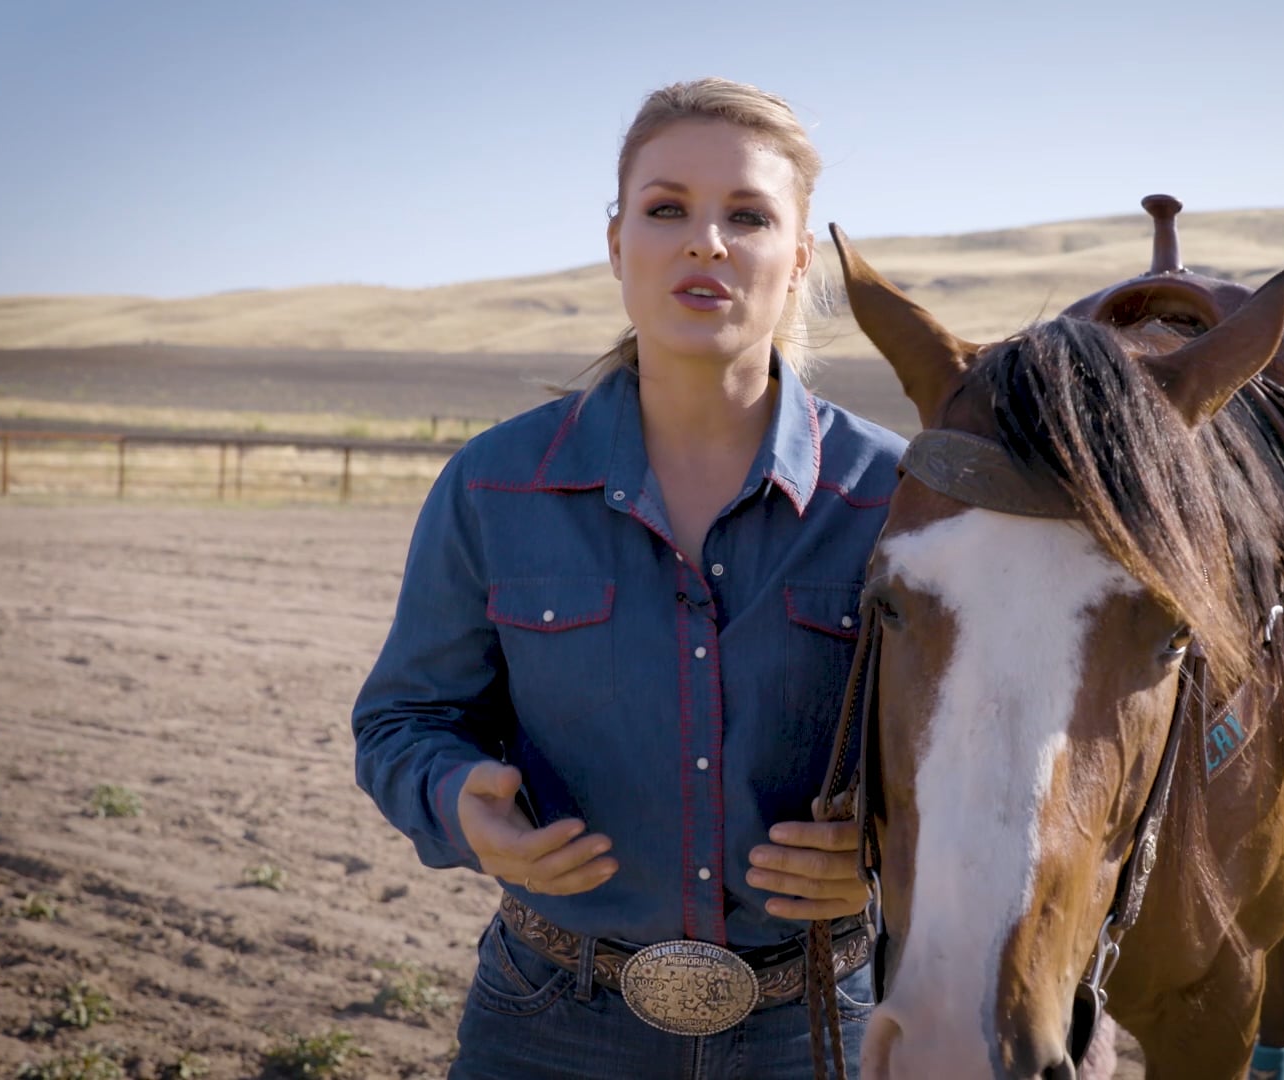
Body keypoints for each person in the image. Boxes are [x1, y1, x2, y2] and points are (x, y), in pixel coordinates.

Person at [352, 77, 903, 1079]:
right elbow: (402, 721)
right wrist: (458, 798)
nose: (707, 242)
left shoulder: (896, 499)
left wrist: (884, 846)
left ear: (798, 263)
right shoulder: (495, 484)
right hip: (549, 1025)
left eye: (748, 215)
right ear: (617, 245)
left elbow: (979, 764)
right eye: (667, 210)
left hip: (816, 1029)